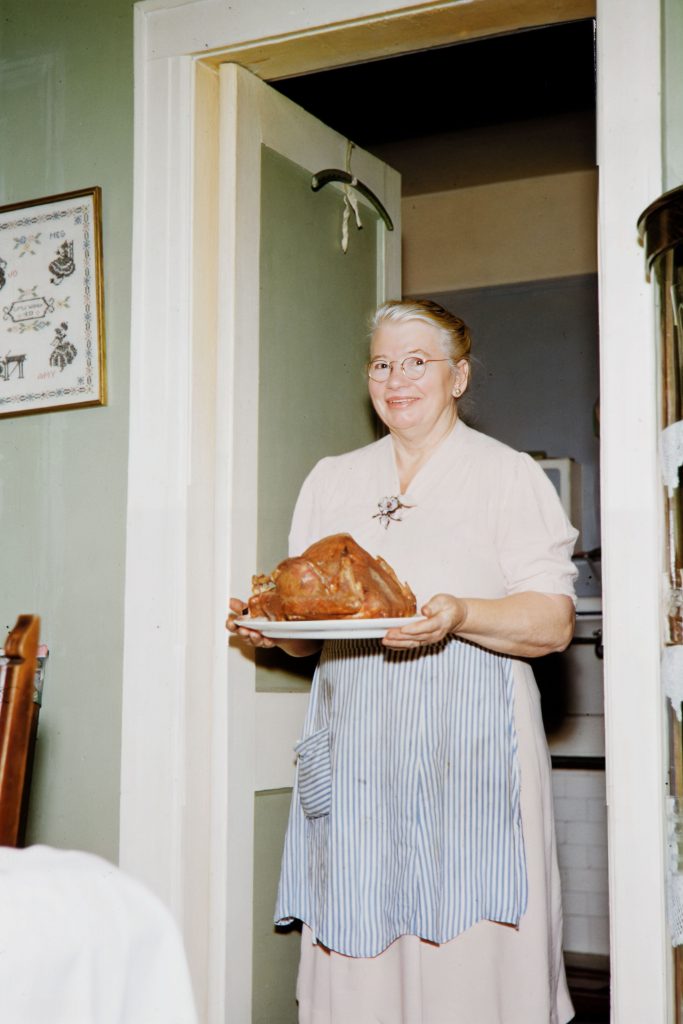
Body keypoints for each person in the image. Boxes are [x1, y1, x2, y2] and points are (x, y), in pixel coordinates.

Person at [227, 298, 578, 1024]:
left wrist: (460, 613)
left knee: (470, 962)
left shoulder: (505, 475)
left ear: (458, 376)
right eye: (382, 363)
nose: (397, 378)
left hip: (469, 749)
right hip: (357, 752)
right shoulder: (332, 478)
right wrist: (274, 627)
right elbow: (308, 635)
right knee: (358, 954)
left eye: (418, 361)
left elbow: (550, 623)